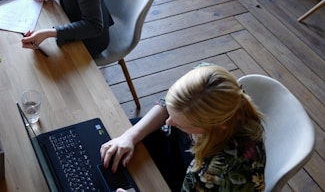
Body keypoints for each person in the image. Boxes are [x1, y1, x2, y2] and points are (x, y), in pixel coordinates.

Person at [100, 64, 266, 191]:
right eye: (171, 113)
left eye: (180, 124)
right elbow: (169, 104)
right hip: (172, 150)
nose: (169, 122)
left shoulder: (234, 172)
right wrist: (130, 136)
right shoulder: (205, 78)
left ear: (213, 127)